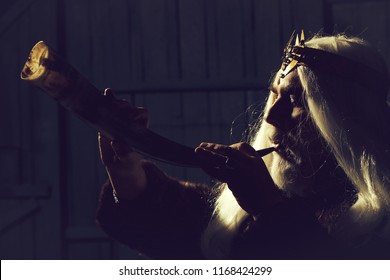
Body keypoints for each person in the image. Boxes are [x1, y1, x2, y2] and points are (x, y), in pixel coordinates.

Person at [96, 31, 390, 259]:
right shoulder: (253, 213)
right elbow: (188, 233)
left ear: (343, 119)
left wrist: (268, 207)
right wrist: (127, 169)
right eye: (274, 95)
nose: (272, 116)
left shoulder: (379, 229)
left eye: (296, 100)